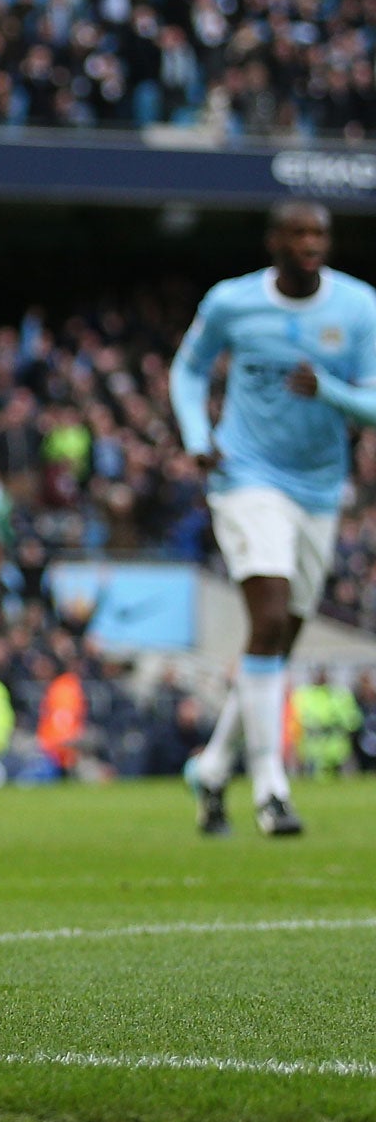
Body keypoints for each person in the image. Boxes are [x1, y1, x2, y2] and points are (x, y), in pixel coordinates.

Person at [173, 201, 376, 836]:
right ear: (274, 243)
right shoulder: (232, 303)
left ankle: (210, 769)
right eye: (299, 233)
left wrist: (331, 392)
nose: (312, 242)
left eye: (320, 232)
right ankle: (271, 790)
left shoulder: (359, 307)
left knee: (277, 642)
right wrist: (196, 433)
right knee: (266, 620)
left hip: (319, 489)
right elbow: (188, 369)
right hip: (245, 476)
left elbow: (371, 405)